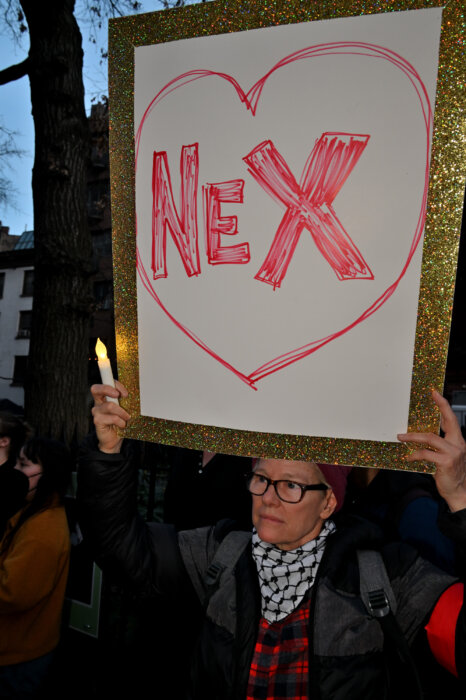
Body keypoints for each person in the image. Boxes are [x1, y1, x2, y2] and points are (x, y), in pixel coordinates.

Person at [77, 383, 466, 699]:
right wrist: (109, 452)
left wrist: (460, 501)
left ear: (328, 501)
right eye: (261, 478)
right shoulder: (224, 553)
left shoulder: (385, 577)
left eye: (291, 485)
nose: (268, 497)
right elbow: (120, 550)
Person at [0, 437, 72, 699]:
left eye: (23, 464)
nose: (15, 471)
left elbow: (12, 593)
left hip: (18, 660)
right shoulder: (31, 510)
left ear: (48, 475)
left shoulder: (43, 529)